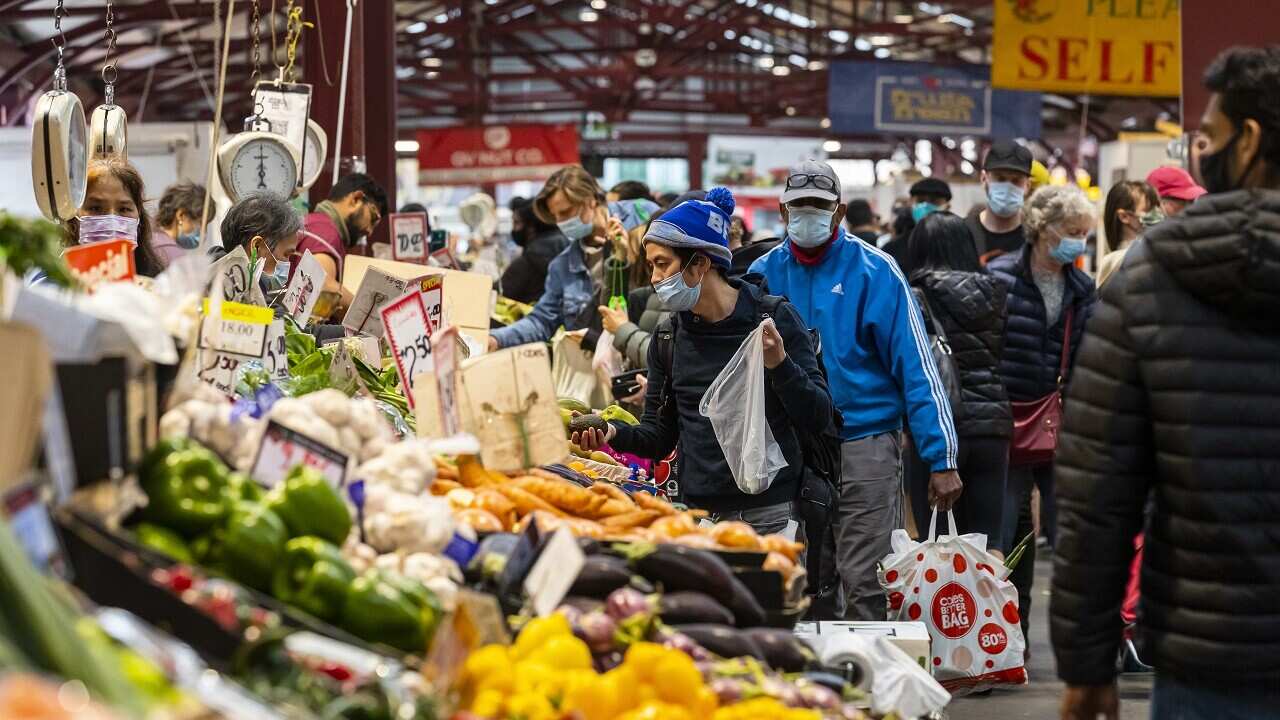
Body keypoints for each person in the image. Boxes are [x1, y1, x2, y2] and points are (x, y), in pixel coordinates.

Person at [1053, 45, 1280, 720]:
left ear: (1250, 140)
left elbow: (1098, 492)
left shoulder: (1150, 279)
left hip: (1208, 659)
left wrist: (1088, 661)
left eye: (1207, 136)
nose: (1200, 152)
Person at [750, 159, 961, 620]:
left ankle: (870, 686)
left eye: (818, 207)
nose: (807, 216)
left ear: (839, 213)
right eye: (798, 207)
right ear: (782, 214)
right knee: (795, 577)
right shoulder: (761, 274)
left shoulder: (876, 272)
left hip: (865, 444)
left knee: (865, 579)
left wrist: (941, 456)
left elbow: (916, 367)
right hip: (791, 450)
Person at [574, 188, 836, 534]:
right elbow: (658, 435)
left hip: (771, 514)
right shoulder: (669, 338)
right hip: (699, 515)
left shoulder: (773, 320)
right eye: (651, 265)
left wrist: (780, 365)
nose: (654, 278)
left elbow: (820, 415)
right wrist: (610, 432)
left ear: (700, 263)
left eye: (662, 264)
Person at [987, 184, 1096, 643]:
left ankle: (1076, 637)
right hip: (1005, 422)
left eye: (1084, 234)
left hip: (1061, 426)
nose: (1079, 242)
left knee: (1071, 532)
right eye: (1072, 232)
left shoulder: (1082, 288)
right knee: (1005, 534)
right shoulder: (998, 277)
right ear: (1043, 229)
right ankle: (1005, 638)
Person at [903, 212, 1011, 549]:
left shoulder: (914, 295)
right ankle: (994, 602)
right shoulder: (996, 291)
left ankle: (942, 604)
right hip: (992, 428)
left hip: (938, 430)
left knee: (936, 546)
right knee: (989, 543)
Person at [489, 165, 627, 353]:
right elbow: (542, 321)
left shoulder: (637, 227)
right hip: (595, 367)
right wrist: (496, 339)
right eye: (555, 216)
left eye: (566, 212)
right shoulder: (563, 266)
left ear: (591, 199)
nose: (561, 222)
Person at [294, 172, 387, 311]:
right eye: (373, 217)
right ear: (356, 199)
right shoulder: (325, 231)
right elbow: (320, 286)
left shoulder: (314, 222)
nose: (370, 231)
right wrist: (371, 315)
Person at [71, 156, 165, 277]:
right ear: (75, 214)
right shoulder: (53, 285)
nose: (112, 220)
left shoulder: (156, 284)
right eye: (96, 208)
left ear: (139, 217)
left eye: (124, 209)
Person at [216, 193, 303, 295]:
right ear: (257, 246)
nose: (287, 264)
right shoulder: (227, 297)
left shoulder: (219, 280)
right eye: (286, 254)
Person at [967, 140, 1034, 264]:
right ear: (983, 179)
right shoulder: (964, 233)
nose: (1008, 187)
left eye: (1016, 180)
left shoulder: (1035, 238)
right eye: (1000, 178)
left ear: (1027, 186)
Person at [500, 197, 569, 304]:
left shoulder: (527, 262)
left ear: (531, 227)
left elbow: (498, 294)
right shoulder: (571, 251)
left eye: (516, 223)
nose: (513, 229)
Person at [1097, 181, 1162, 287]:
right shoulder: (1114, 261)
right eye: (1148, 210)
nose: (1157, 214)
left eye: (1157, 208)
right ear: (1124, 216)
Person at [883, 178, 953, 274]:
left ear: (947, 206)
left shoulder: (959, 244)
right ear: (911, 204)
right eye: (920, 200)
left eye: (934, 201)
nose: (926, 206)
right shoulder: (892, 249)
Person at [152, 182, 207, 266]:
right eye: (200, 223)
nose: (204, 231)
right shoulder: (172, 254)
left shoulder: (150, 239)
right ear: (181, 215)